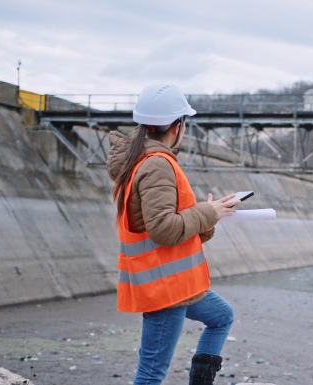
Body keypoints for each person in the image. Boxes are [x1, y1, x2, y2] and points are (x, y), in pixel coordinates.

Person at [106, 84, 240, 385]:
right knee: (150, 374)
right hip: (165, 289)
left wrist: (209, 213)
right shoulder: (157, 165)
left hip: (176, 285)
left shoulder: (144, 162)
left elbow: (174, 225)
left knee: (221, 317)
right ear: (178, 126)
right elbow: (164, 229)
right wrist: (208, 211)